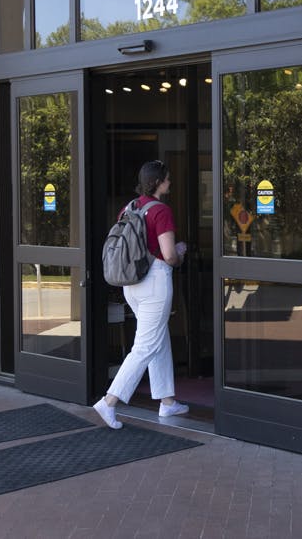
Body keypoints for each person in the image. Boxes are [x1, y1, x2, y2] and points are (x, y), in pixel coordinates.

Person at [94, 160, 189, 428]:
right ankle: (109, 401)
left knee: (158, 338)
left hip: (131, 284)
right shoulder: (162, 211)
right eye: (168, 179)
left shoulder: (129, 208)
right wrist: (180, 254)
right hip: (155, 282)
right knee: (145, 346)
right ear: (158, 182)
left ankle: (167, 402)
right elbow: (168, 255)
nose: (170, 182)